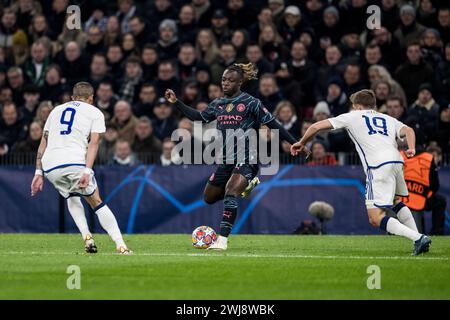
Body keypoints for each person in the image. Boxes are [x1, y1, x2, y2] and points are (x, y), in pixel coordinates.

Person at [165, 62, 298, 250]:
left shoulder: (252, 103)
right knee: (209, 198)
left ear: (240, 83)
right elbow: (199, 118)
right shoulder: (218, 104)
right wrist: (176, 102)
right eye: (223, 79)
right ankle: (247, 186)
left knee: (230, 194)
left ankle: (222, 241)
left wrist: (295, 142)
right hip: (225, 161)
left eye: (230, 80)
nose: (225, 83)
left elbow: (274, 124)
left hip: (248, 158)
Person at [291, 89, 431, 256]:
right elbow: (409, 131)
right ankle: (419, 239)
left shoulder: (352, 116)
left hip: (378, 166)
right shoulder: (388, 118)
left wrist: (301, 142)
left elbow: (316, 126)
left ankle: (418, 238)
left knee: (375, 218)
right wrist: (412, 148)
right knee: (396, 202)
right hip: (397, 161)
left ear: (357, 106)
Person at [30, 82, 131, 254]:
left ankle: (87, 237)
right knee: (96, 202)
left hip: (50, 165)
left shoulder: (55, 111)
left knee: (72, 195)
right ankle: (121, 245)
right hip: (74, 161)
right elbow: (93, 144)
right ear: (91, 99)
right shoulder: (95, 112)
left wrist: (38, 172)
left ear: (72, 98)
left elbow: (43, 143)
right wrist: (87, 170)